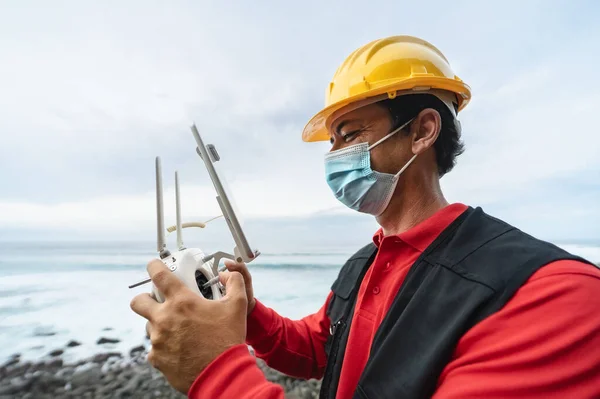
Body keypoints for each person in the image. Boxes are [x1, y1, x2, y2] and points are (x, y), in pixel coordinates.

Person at [130, 35, 600, 398]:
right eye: (331, 141)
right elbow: (317, 346)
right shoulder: (364, 264)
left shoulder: (554, 296)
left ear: (422, 131)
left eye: (349, 134)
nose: (334, 156)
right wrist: (248, 316)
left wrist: (216, 373)